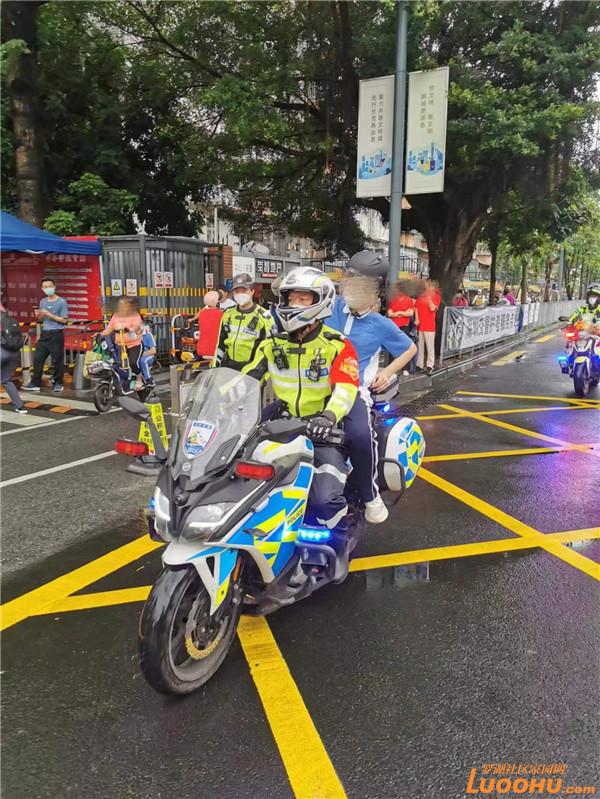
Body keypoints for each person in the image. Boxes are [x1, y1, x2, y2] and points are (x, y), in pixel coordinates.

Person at [242, 266, 359, 580]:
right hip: (281, 427)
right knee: (246, 484)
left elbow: (346, 388)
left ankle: (337, 547)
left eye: (303, 298)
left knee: (324, 498)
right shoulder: (271, 345)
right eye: (290, 298)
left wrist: (328, 417)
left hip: (322, 430)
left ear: (321, 302)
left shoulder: (337, 345)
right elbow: (244, 381)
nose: (293, 304)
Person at [329, 252, 417, 523]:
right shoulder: (329, 306)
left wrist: (387, 372)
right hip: (314, 389)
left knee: (360, 435)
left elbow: (410, 349)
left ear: (377, 291)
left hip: (353, 391)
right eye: (351, 281)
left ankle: (370, 495)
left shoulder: (380, 325)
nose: (353, 289)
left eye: (363, 284)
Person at [214, 273, 273, 370]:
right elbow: (220, 343)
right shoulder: (228, 314)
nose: (240, 294)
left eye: (244, 290)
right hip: (228, 368)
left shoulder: (265, 316)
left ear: (252, 291)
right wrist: (215, 365)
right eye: (237, 291)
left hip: (252, 370)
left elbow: (271, 348)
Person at [23, 278, 69, 394]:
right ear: (42, 289)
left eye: (50, 286)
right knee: (38, 358)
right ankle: (35, 383)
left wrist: (49, 314)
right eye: (45, 287)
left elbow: (64, 320)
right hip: (45, 334)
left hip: (56, 334)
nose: (48, 288)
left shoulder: (61, 302)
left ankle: (58, 383)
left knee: (57, 360)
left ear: (54, 286)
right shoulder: (43, 301)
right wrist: (38, 315)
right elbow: (41, 319)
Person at [100, 297, 144, 389]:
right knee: (115, 364)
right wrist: (100, 334)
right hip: (119, 345)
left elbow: (137, 326)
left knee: (133, 363)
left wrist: (130, 329)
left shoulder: (135, 315)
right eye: (120, 305)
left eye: (124, 305)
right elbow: (109, 329)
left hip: (134, 345)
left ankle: (139, 378)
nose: (122, 307)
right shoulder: (116, 315)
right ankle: (120, 381)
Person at [0, 301, 27, 413]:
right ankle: (19, 406)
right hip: (13, 352)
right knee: (6, 380)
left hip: (1, 351)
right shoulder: (10, 319)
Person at [387, 281, 417, 375]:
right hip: (395, 326)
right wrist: (402, 313)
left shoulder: (408, 299)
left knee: (404, 347)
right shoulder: (393, 299)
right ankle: (393, 368)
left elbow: (410, 313)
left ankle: (405, 368)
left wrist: (398, 313)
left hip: (404, 326)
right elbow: (390, 313)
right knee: (393, 346)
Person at [415, 278, 441, 375]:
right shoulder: (421, 296)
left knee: (430, 346)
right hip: (420, 324)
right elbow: (416, 307)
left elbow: (433, 308)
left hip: (429, 325)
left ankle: (430, 365)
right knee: (420, 346)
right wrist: (417, 319)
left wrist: (429, 297)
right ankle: (419, 365)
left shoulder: (436, 296)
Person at [195, 290, 224, 361]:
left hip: (201, 350)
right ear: (217, 303)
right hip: (216, 351)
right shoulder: (221, 314)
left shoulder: (202, 313)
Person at [139, 319, 157, 385]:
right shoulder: (132, 335)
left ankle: (148, 379)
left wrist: (141, 354)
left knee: (142, 360)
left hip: (147, 356)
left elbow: (153, 351)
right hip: (136, 355)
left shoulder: (148, 335)